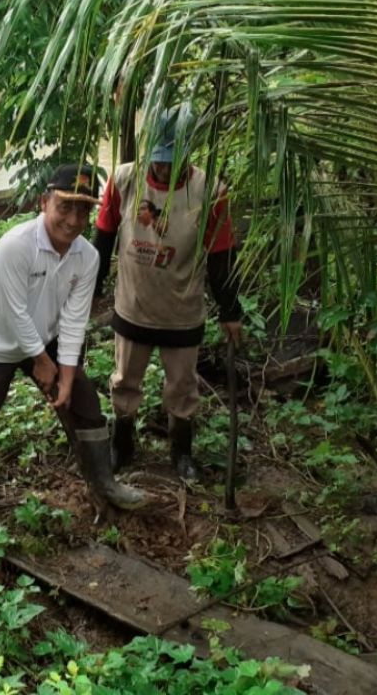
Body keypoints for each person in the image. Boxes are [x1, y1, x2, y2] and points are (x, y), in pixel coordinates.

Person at [0, 163, 147, 517]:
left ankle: (104, 482)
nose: (72, 219)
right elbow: (15, 313)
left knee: (83, 402)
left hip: (47, 337)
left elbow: (73, 319)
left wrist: (65, 375)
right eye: (64, 206)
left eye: (83, 210)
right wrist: (42, 362)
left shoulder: (88, 256)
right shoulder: (15, 246)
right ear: (44, 202)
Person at [93, 106, 243, 480]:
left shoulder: (209, 191)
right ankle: (122, 444)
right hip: (133, 307)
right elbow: (103, 240)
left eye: (171, 162)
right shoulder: (124, 180)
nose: (162, 169)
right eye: (157, 161)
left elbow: (222, 256)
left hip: (182, 310)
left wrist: (230, 311)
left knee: (182, 387)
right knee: (125, 381)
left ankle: (181, 452)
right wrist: (90, 291)